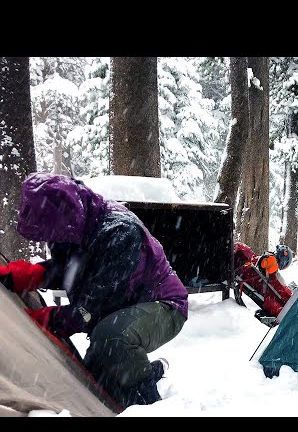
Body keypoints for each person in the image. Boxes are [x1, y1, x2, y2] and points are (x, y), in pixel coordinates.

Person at [0, 172, 188, 408]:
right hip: (120, 304)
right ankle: (148, 370)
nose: (48, 240)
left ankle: (149, 401)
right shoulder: (74, 226)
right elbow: (69, 270)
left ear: (65, 219)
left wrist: (46, 320)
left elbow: (94, 307)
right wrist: (29, 276)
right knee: (93, 382)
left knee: (111, 338)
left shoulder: (119, 233)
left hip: (165, 304)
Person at [233, 242, 294, 326]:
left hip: (248, 277)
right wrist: (293, 296)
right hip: (270, 299)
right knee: (284, 307)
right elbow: (283, 292)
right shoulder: (271, 263)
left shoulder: (252, 257)